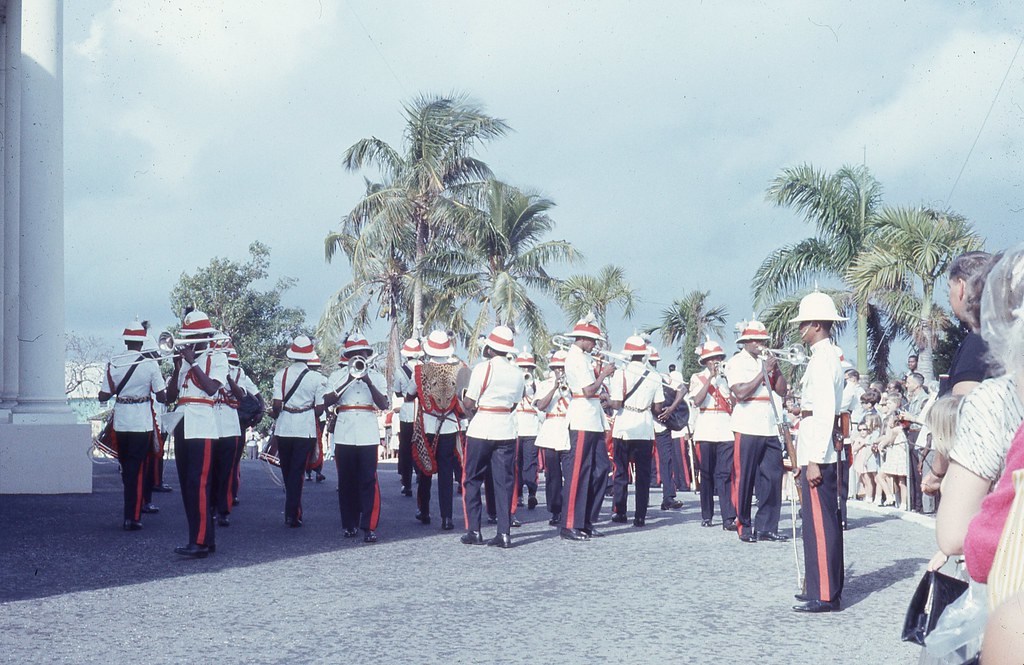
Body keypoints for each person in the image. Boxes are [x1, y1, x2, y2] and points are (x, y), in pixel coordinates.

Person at [790, 292, 847, 613]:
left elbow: (825, 412)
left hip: (820, 453)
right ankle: (818, 585)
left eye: (804, 323)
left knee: (822, 523)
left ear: (816, 325)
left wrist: (813, 459)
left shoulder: (824, 359)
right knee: (815, 524)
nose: (800, 328)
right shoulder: (823, 356)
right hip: (816, 445)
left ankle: (825, 593)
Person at [164, 310, 229, 558]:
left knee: (199, 483)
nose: (188, 341)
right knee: (187, 485)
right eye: (186, 337)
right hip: (183, 422)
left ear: (205, 336)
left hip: (202, 424)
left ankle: (200, 541)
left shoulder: (217, 358)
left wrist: (192, 362)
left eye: (194, 336)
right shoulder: (185, 361)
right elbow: (171, 396)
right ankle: (203, 538)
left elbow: (212, 389)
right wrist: (176, 368)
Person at [97, 321, 168, 531]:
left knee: (126, 468)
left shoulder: (114, 363)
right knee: (137, 469)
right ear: (143, 342)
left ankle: (130, 512)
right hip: (141, 420)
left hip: (121, 420)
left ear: (126, 341)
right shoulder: (150, 364)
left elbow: (103, 395)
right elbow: (162, 396)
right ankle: (133, 517)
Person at [459, 326, 525, 548]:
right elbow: (515, 403)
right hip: (506, 428)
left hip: (482, 428)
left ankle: (474, 531)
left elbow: (469, 403)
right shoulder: (517, 372)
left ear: (489, 349)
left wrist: (467, 403)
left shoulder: (482, 368)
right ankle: (504, 533)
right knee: (504, 483)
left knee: (472, 480)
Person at [725, 318, 788, 543]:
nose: (761, 344)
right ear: (745, 341)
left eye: (763, 340)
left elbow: (783, 391)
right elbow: (741, 393)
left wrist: (776, 368)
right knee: (744, 477)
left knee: (772, 477)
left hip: (769, 424)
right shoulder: (736, 362)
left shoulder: (766, 361)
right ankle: (743, 524)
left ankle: (767, 526)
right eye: (756, 340)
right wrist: (764, 372)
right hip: (747, 424)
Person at [324, 332, 387, 542]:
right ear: (348, 356)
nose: (358, 357)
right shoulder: (337, 376)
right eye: (354, 354)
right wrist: (349, 380)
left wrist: (368, 381)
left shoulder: (377, 377)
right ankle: (349, 524)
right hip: (345, 430)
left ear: (367, 355)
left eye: (362, 353)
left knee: (368, 480)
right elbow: (326, 401)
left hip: (368, 431)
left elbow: (384, 404)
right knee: (346, 480)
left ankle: (368, 526)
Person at [559, 315, 616, 541]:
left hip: (593, 419)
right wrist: (603, 374)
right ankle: (570, 523)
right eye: (592, 340)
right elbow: (587, 391)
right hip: (582, 418)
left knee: (601, 469)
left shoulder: (583, 357)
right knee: (579, 473)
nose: (595, 344)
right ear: (582, 338)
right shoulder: (574, 358)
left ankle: (587, 520)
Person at [410, 330, 467, 531]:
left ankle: (424, 511)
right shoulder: (460, 368)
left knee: (425, 469)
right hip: (449, 425)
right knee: (446, 472)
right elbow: (463, 402)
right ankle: (447, 518)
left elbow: (410, 394)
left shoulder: (420, 369)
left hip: (428, 424)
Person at [270, 335, 326, 529]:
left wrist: (278, 411)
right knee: (297, 472)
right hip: (305, 428)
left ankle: (291, 510)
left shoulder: (281, 374)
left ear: (292, 355)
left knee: (287, 470)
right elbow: (319, 410)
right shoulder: (317, 378)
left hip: (284, 426)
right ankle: (293, 512)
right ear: (309, 356)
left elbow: (277, 405)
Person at [608, 336, 664, 527]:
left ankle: (620, 512)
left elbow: (615, 404)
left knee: (621, 472)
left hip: (624, 427)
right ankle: (640, 515)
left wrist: (606, 398)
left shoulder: (620, 374)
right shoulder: (655, 376)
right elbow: (657, 408)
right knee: (643, 475)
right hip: (645, 427)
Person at [688, 339, 737, 529]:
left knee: (724, 473)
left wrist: (725, 381)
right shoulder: (697, 378)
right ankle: (707, 515)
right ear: (705, 362)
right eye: (710, 359)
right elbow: (697, 401)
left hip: (725, 428)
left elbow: (735, 401)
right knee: (706, 474)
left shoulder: (727, 378)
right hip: (706, 427)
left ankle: (728, 517)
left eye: (717, 358)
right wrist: (710, 380)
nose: (715, 362)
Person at [210, 342, 247, 527]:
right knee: (210, 470)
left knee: (227, 470)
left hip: (230, 425)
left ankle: (224, 510)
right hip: (210, 424)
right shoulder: (207, 367)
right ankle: (210, 507)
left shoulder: (239, 373)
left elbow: (241, 396)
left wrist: (228, 378)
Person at [534, 351, 570, 526]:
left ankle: (570, 509)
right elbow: (540, 405)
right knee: (552, 475)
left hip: (568, 429)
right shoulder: (544, 384)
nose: (560, 371)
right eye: (557, 368)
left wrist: (567, 390)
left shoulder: (574, 385)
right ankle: (555, 510)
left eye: (562, 368)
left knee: (570, 474)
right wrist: (555, 388)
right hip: (550, 430)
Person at [394, 337, 423, 497]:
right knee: (421, 446)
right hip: (422, 411)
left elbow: (398, 392)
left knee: (405, 448)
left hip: (406, 410)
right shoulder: (425, 368)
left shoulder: (400, 371)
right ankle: (420, 473)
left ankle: (406, 483)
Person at [515, 350, 542, 511]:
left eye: (528, 368)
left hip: (532, 429)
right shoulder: (512, 384)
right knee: (516, 464)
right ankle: (518, 494)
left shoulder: (538, 384)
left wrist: (532, 388)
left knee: (531, 464)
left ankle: (532, 492)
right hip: (516, 429)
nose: (526, 371)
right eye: (522, 368)